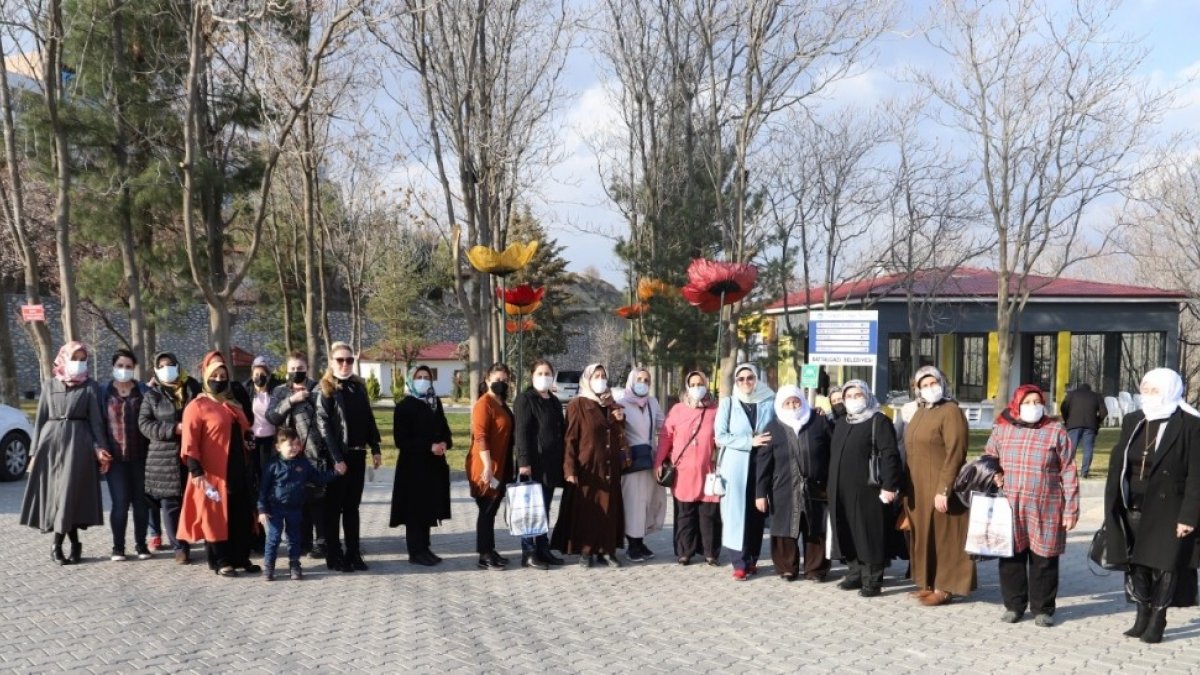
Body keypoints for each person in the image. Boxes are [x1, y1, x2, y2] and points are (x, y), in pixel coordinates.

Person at [1104, 368, 1200, 644]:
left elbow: (1197, 475)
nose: (1148, 395)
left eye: (1154, 390)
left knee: (1165, 564)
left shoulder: (1190, 424)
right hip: (1132, 503)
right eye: (1144, 389)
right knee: (1137, 562)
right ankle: (1142, 614)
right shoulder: (1134, 420)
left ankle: (1158, 618)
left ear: (1170, 390)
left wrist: (1189, 516)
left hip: (1170, 507)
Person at [984, 384, 1080, 627]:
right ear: (1016, 404)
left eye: (1037, 402)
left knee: (1044, 558)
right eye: (1027, 402)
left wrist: (1071, 509)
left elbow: (1069, 469)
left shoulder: (1055, 430)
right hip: (1011, 505)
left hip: (1046, 506)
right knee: (1011, 558)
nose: (1033, 406)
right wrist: (995, 473)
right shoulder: (1002, 429)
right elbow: (990, 457)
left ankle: (1043, 608)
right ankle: (1014, 605)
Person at [20, 342, 111, 565]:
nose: (78, 363)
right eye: (74, 358)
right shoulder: (49, 385)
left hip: (78, 446)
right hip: (50, 447)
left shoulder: (90, 386)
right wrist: (33, 452)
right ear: (63, 359)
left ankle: (57, 545)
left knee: (68, 494)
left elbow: (96, 421)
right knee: (57, 496)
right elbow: (41, 419)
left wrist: (100, 448)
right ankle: (74, 543)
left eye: (82, 359)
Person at [177, 359, 260, 577]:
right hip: (213, 472)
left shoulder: (232, 404)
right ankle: (221, 561)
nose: (218, 380)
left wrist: (248, 439)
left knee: (240, 514)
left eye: (223, 377)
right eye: (214, 376)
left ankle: (241, 558)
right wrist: (196, 471)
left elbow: (246, 429)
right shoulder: (196, 406)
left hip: (238, 468)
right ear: (205, 377)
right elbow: (189, 442)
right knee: (215, 518)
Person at [903, 365, 975, 606]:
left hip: (941, 484)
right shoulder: (920, 412)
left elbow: (956, 452)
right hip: (918, 487)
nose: (929, 388)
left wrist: (944, 489)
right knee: (925, 535)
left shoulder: (951, 411)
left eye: (933, 383)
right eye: (924, 385)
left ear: (942, 383)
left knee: (945, 537)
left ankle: (945, 587)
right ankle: (927, 581)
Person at [828, 379, 903, 597]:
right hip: (841, 489)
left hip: (869, 490)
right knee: (847, 530)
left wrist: (889, 485)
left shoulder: (878, 420)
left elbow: (890, 454)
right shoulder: (843, 422)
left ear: (867, 396)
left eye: (858, 395)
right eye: (848, 396)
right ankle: (855, 572)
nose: (853, 400)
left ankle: (872, 579)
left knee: (869, 533)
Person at [552, 363, 628, 568]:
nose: (601, 380)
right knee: (588, 509)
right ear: (587, 379)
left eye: (603, 376)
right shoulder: (578, 404)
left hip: (610, 466)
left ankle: (607, 549)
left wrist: (620, 419)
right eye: (596, 376)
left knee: (609, 508)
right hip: (587, 466)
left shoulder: (611, 404)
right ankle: (586, 551)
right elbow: (570, 439)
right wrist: (569, 468)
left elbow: (619, 434)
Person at [755, 385, 832, 582]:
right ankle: (787, 568)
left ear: (802, 401)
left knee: (815, 528)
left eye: (795, 402)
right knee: (784, 528)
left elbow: (832, 451)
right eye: (787, 403)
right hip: (783, 487)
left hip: (816, 487)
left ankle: (815, 569)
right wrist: (760, 493)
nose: (792, 406)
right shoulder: (772, 428)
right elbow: (763, 463)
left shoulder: (818, 422)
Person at [315, 341, 380, 573]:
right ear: (332, 362)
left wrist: (375, 448)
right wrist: (337, 459)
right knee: (334, 509)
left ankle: (354, 553)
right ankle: (334, 555)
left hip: (358, 455)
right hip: (337, 459)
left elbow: (368, 419)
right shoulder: (325, 389)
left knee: (352, 508)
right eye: (340, 360)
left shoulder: (358, 387)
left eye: (349, 360)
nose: (345, 364)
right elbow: (324, 428)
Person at [140, 351, 201, 564]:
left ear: (177, 366)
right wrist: (173, 429)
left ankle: (197, 537)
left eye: (171, 364)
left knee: (192, 500)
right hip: (163, 457)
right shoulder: (152, 395)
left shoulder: (193, 388)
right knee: (170, 504)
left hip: (192, 454)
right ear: (156, 370)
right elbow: (144, 424)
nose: (167, 368)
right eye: (162, 365)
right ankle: (179, 547)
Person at [716, 363, 775, 580]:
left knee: (756, 513)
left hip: (761, 464)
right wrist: (749, 442)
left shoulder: (768, 401)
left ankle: (752, 559)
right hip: (735, 467)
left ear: (756, 379)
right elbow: (720, 436)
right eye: (740, 379)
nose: (746, 382)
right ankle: (739, 562)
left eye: (750, 377)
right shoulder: (728, 403)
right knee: (735, 513)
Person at [655, 371, 721, 566]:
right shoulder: (677, 409)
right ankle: (685, 551)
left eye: (700, 383)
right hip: (683, 472)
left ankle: (710, 552)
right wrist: (659, 461)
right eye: (692, 384)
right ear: (687, 386)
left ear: (706, 385)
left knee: (709, 514)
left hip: (708, 471)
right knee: (685, 514)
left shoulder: (715, 410)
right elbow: (665, 437)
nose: (696, 387)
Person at [390, 365, 453, 566]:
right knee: (414, 511)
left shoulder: (435, 403)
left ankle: (425, 548)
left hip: (433, 467)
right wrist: (429, 446)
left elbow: (444, 428)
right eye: (419, 377)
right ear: (411, 380)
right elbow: (401, 440)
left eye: (427, 377)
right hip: (413, 468)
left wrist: (444, 443)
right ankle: (415, 551)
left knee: (428, 508)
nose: (423, 380)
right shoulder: (404, 406)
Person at [265, 351, 326, 557]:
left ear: (307, 369)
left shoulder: (316, 388)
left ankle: (321, 542)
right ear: (287, 369)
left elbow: (325, 416)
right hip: (289, 454)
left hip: (313, 451)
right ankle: (303, 541)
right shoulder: (279, 391)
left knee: (317, 499)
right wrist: (292, 400)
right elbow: (272, 417)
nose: (296, 372)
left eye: (300, 368)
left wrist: (307, 398)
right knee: (297, 499)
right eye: (292, 369)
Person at [257, 428, 334, 581]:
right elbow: (263, 489)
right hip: (275, 508)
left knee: (294, 538)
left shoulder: (303, 463)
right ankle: (269, 566)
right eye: (289, 445)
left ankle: (294, 565)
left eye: (296, 444)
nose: (294, 448)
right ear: (278, 447)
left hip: (295, 508)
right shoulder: (272, 465)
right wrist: (262, 509)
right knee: (273, 538)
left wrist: (335, 473)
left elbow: (317, 478)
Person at [514, 359, 566, 568]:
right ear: (532, 376)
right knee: (531, 509)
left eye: (548, 373)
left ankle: (543, 548)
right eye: (540, 373)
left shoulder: (554, 401)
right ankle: (528, 551)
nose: (544, 377)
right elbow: (521, 432)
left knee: (544, 508)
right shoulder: (525, 399)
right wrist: (524, 461)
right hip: (533, 464)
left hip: (551, 464)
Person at [101, 349, 151, 561]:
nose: (124, 370)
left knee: (141, 502)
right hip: (115, 459)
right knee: (120, 503)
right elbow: (98, 424)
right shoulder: (103, 392)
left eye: (128, 366)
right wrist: (100, 448)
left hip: (140, 456)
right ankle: (118, 547)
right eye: (120, 366)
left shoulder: (143, 391)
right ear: (113, 367)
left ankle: (141, 545)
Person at [465, 363, 515, 571]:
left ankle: (490, 549)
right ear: (487, 380)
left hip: (501, 465)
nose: (501, 384)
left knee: (491, 510)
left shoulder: (501, 403)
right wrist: (487, 466)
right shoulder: (483, 404)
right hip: (485, 466)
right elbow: (481, 437)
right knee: (486, 510)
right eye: (497, 380)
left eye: (504, 380)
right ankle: (484, 555)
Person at [619, 366, 666, 562]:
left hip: (650, 459)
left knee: (648, 501)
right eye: (639, 379)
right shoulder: (621, 403)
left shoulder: (652, 402)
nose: (643, 383)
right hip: (632, 461)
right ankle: (632, 544)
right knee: (633, 503)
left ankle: (640, 541)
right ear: (631, 381)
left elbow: (664, 425)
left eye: (646, 380)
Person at [1061, 383, 1106, 479]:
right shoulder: (1096, 396)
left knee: (1071, 449)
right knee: (1088, 449)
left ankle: (1068, 470)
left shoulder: (1071, 394)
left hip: (1073, 424)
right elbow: (1104, 412)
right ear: (1090, 389)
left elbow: (1063, 408)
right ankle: (1084, 472)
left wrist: (1067, 419)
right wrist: (1097, 421)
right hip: (1090, 426)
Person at [246, 356, 280, 474]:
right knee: (253, 468)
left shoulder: (274, 393)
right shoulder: (247, 393)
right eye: (256, 374)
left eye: (262, 374)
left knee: (266, 468)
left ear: (268, 376)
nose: (259, 377)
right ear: (252, 376)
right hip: (253, 436)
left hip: (269, 437)